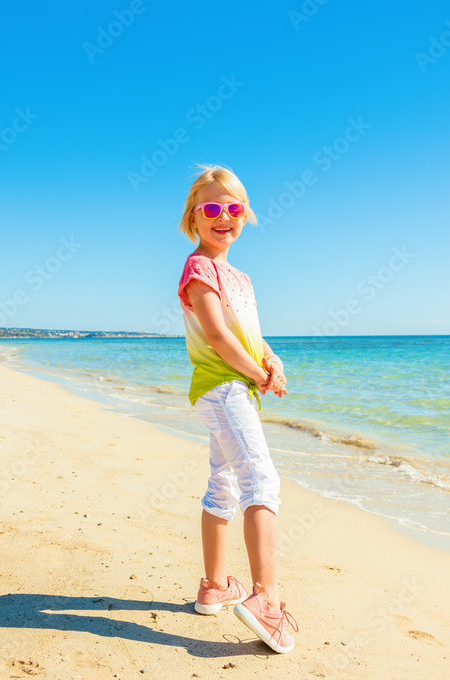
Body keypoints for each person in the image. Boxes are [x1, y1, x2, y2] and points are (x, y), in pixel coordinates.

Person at [176, 164, 298, 654]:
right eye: (212, 208)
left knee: (224, 483)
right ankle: (266, 600)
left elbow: (249, 332)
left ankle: (215, 586)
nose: (223, 216)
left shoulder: (240, 277)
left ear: (244, 215)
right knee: (261, 481)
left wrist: (271, 361)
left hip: (237, 388)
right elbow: (218, 336)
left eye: (233, 207)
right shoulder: (199, 267)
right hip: (223, 387)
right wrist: (254, 374)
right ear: (194, 217)